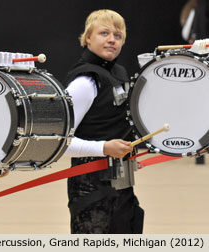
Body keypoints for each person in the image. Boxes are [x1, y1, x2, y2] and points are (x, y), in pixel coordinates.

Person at [63, 9, 144, 234]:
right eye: (104, 33)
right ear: (87, 38)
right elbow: (59, 142)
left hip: (121, 186)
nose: (112, 39)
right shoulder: (85, 82)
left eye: (118, 36)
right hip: (91, 190)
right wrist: (104, 148)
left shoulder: (118, 73)